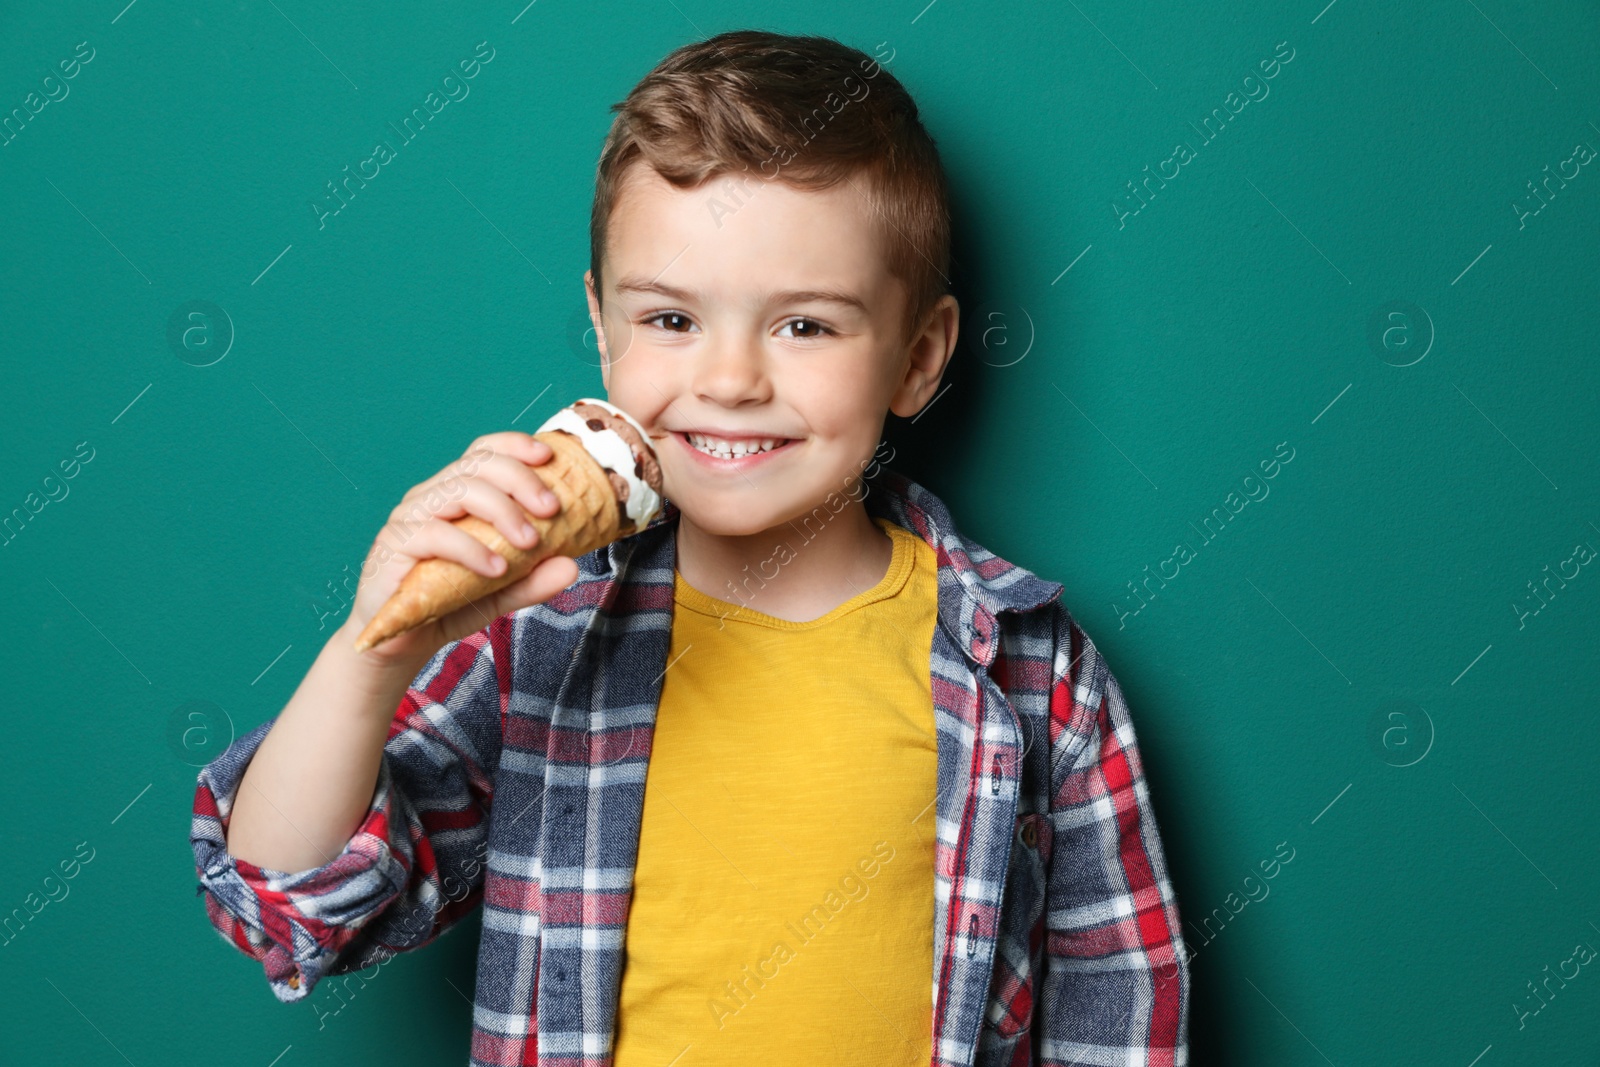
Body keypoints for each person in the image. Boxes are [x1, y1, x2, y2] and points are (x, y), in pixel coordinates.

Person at [189, 29, 1189, 1066]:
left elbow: (1119, 995)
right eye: (670, 317)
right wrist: (372, 651)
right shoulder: (536, 634)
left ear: (919, 356)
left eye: (803, 326)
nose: (728, 380)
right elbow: (290, 906)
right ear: (602, 325)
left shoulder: (1028, 668)